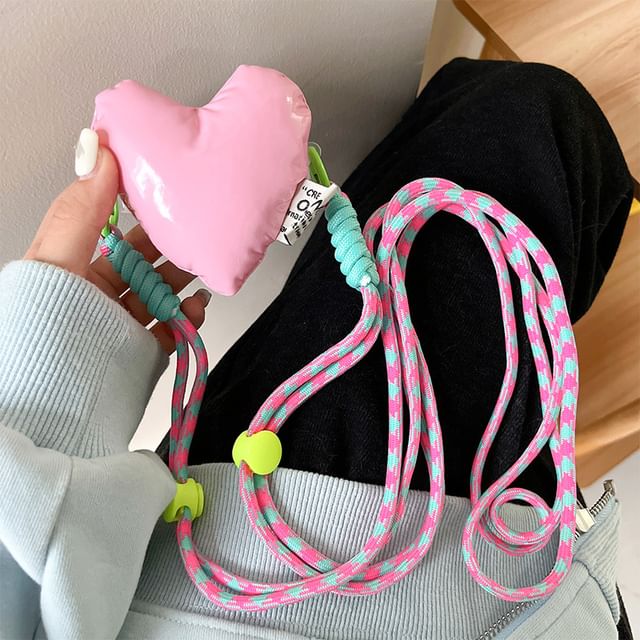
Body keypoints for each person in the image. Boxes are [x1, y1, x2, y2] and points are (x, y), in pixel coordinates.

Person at [0, 59, 634, 639]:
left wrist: (54, 392)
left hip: (224, 550)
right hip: (352, 546)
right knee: (530, 115)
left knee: (530, 128)